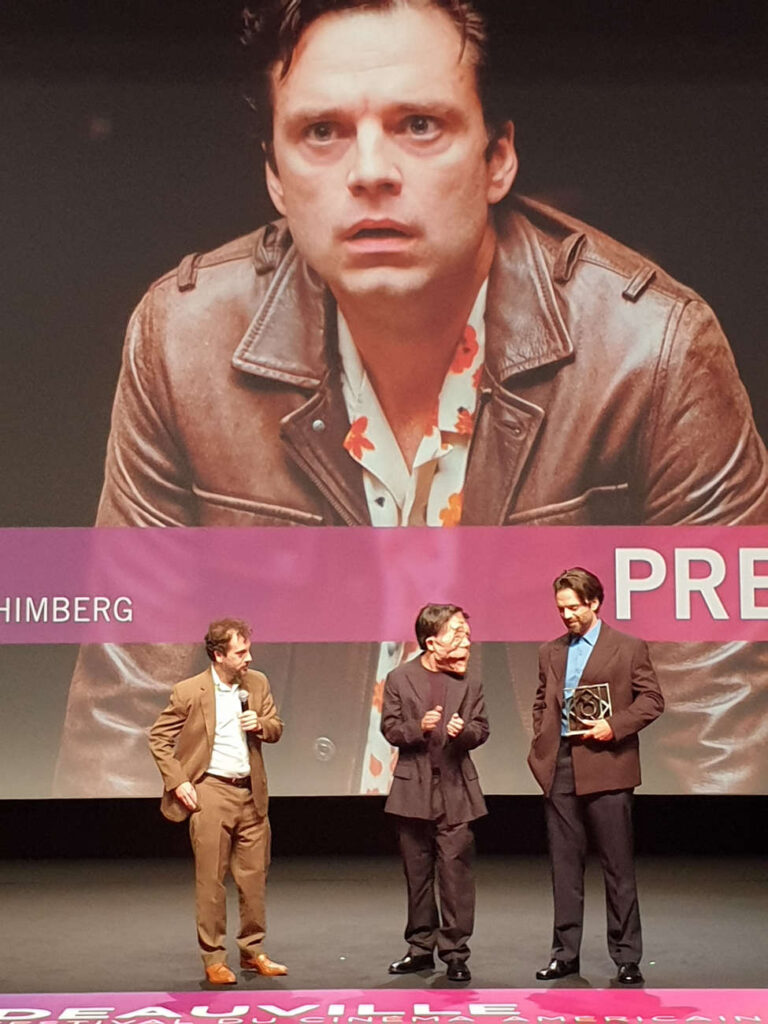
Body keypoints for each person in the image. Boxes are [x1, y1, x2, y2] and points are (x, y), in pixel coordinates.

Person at [55, 0, 768, 799]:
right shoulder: (182, 342)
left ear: (498, 156)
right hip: (297, 870)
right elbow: (122, 730)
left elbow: (721, 744)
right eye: (322, 132)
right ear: (275, 177)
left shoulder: (654, 354)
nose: (370, 172)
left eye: (419, 125)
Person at [528, 568, 664, 986]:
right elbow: (541, 700)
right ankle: (565, 954)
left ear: (594, 604)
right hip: (562, 765)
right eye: (561, 609)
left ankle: (627, 956)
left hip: (607, 763)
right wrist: (543, 737)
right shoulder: (550, 651)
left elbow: (653, 700)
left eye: (573, 607)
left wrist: (615, 726)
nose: (566, 615)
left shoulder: (627, 647)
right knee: (564, 867)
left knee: (617, 867)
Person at [148, 618, 287, 985]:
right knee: (211, 881)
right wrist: (178, 781)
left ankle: (253, 950)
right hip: (210, 791)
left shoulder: (257, 684)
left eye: (248, 650)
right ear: (218, 654)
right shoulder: (190, 690)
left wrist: (260, 724)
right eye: (240, 652)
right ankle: (214, 957)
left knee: (254, 877)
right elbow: (159, 738)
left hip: (251, 793)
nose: (248, 657)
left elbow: (276, 728)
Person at [381, 604, 488, 983]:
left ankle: (456, 953)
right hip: (414, 791)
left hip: (457, 790)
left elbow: (482, 728)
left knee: (455, 875)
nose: (465, 640)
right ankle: (420, 948)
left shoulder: (469, 683)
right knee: (418, 873)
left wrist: (465, 732)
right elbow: (390, 729)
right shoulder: (399, 678)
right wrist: (418, 726)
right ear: (431, 642)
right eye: (456, 634)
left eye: (466, 633)